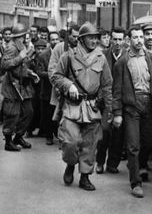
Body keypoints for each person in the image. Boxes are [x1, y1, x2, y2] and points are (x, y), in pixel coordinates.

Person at [51, 22, 113, 191]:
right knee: (70, 141)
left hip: (92, 107)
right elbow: (55, 76)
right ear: (82, 39)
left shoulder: (101, 58)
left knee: (90, 144)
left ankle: (85, 177)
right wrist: (68, 84)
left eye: (96, 38)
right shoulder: (69, 56)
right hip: (72, 106)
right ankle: (71, 164)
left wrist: (109, 109)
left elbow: (107, 85)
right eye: (90, 38)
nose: (94, 41)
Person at [112, 25, 152, 198]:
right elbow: (117, 90)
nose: (140, 40)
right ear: (129, 40)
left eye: (141, 37)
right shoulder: (122, 62)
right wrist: (117, 113)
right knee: (133, 145)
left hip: (149, 105)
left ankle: (139, 165)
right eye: (135, 37)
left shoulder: (151, 58)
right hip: (131, 107)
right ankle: (136, 182)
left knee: (148, 142)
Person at [1, 23, 39, 151]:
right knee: (12, 114)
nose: (24, 38)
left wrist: (30, 73)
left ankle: (18, 136)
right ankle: (8, 141)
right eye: (23, 36)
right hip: (12, 85)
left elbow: (22, 66)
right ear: (19, 36)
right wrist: (19, 57)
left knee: (28, 112)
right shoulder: (11, 47)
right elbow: (4, 65)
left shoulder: (21, 45)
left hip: (23, 84)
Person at [96, 26, 127, 174]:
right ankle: (100, 161)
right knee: (105, 132)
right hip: (106, 100)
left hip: (121, 100)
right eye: (114, 39)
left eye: (120, 39)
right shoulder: (102, 55)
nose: (117, 42)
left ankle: (112, 163)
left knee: (119, 135)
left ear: (125, 40)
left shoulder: (128, 57)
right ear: (110, 39)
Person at [34, 39, 58, 145]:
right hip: (47, 90)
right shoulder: (43, 55)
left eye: (57, 39)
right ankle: (49, 136)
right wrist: (53, 75)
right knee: (47, 115)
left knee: (58, 114)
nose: (55, 41)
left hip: (59, 91)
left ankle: (58, 134)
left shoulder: (63, 53)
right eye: (53, 39)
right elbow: (39, 72)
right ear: (49, 41)